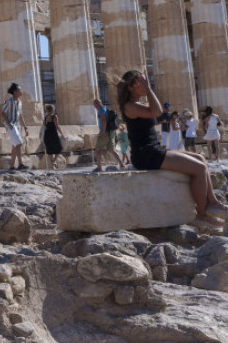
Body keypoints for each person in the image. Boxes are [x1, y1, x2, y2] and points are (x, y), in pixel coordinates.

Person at [118, 71, 225, 230]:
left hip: (152, 150)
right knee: (199, 168)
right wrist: (148, 89)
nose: (145, 83)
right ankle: (201, 215)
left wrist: (147, 90)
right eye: (141, 81)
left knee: (201, 159)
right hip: (146, 154)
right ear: (130, 87)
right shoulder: (129, 106)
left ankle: (213, 203)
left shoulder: (137, 105)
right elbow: (157, 112)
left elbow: (156, 111)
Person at [0, 83, 29, 171]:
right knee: (19, 143)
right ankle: (20, 164)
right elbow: (2, 113)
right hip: (11, 125)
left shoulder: (20, 102)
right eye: (19, 90)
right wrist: (9, 124)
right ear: (15, 92)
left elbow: (20, 115)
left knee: (14, 146)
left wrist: (25, 127)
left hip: (17, 125)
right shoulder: (9, 102)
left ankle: (12, 166)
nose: (21, 91)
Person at [92, 98, 123, 172]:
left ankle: (99, 167)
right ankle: (121, 164)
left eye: (94, 105)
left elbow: (104, 121)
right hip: (111, 132)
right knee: (111, 150)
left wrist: (103, 132)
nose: (94, 107)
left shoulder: (101, 109)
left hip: (105, 131)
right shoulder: (106, 108)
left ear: (97, 104)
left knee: (97, 149)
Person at [40, 103, 64, 170]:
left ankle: (52, 165)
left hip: (47, 135)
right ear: (52, 109)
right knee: (59, 148)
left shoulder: (45, 118)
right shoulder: (54, 117)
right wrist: (62, 134)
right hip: (53, 135)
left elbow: (44, 126)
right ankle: (53, 162)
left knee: (50, 151)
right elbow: (57, 126)